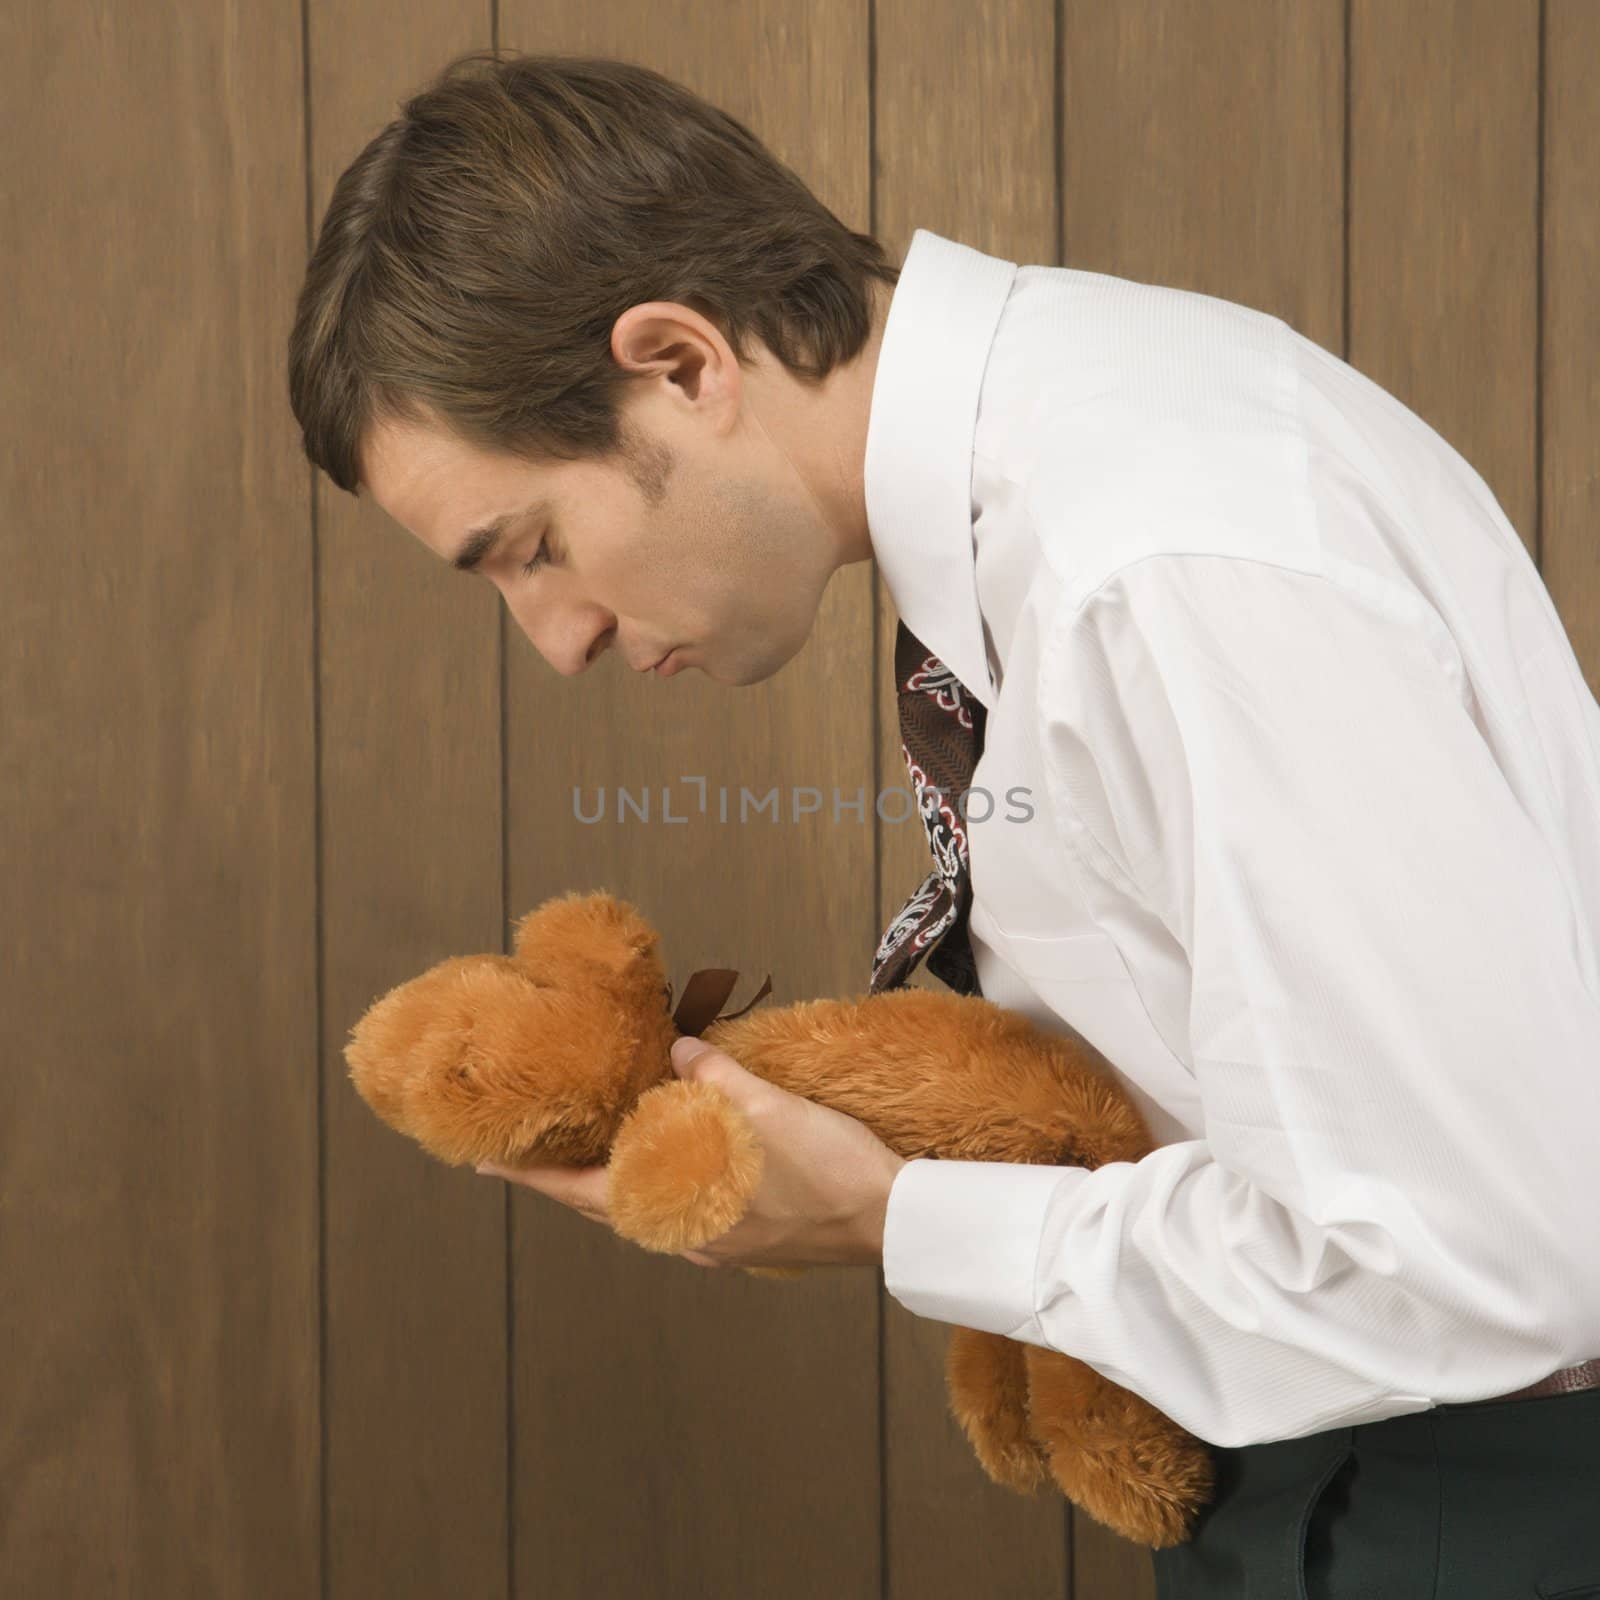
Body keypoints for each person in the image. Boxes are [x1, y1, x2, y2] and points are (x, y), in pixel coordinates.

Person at [288, 48, 1600, 1597]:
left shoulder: (1154, 548)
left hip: (1460, 1499)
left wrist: (902, 1220)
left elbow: (1483, 1254)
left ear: (683, 364)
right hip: (1332, 1459)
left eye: (532, 548)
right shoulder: (1056, 464)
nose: (556, 638)